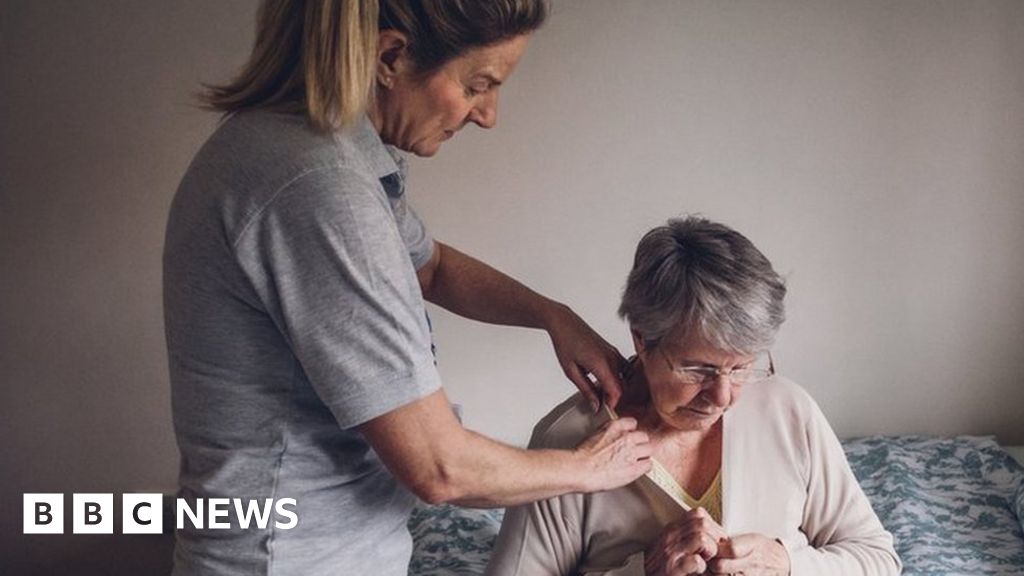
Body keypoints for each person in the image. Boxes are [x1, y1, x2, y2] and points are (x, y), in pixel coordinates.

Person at [163, 1, 653, 575]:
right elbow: (439, 468)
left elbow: (431, 266)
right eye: (479, 85)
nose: (488, 114)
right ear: (390, 57)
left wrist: (552, 315)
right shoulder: (319, 189)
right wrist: (586, 469)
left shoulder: (308, 149)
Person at [485, 217, 902, 576]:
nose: (723, 396)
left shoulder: (790, 411)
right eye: (699, 369)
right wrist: (644, 572)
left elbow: (877, 557)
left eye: (741, 368)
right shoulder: (568, 440)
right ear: (643, 340)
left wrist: (787, 563)